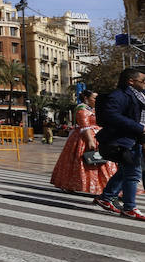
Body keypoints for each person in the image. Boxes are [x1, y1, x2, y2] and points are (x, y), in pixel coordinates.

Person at [93, 67, 145, 219]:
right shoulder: (119, 95)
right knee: (133, 172)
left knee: (125, 171)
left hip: (131, 140)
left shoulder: (138, 96)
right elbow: (111, 115)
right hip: (119, 141)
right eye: (143, 81)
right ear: (131, 81)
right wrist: (139, 127)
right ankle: (129, 208)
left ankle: (106, 197)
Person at [50, 90, 117, 194]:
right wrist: (90, 140)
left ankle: (101, 185)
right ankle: (78, 184)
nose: (96, 100)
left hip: (97, 136)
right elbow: (85, 127)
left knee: (100, 162)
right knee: (87, 161)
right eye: (94, 98)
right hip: (85, 138)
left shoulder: (93, 109)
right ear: (86, 98)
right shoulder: (82, 110)